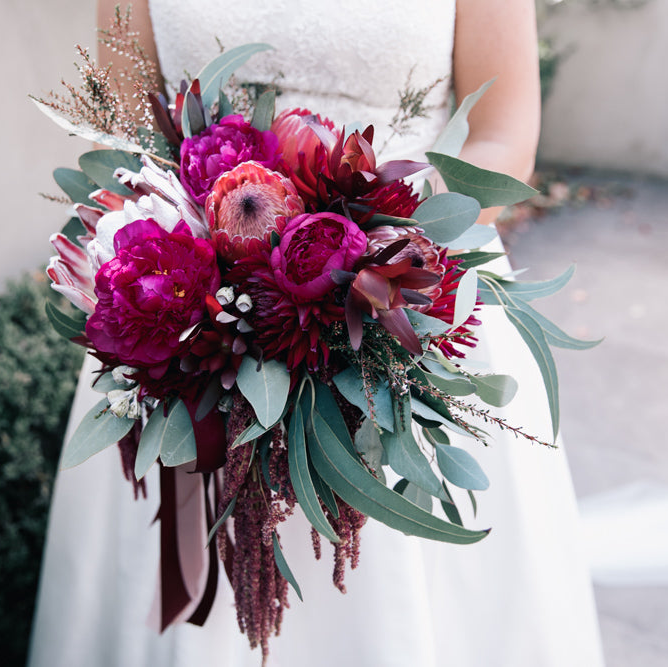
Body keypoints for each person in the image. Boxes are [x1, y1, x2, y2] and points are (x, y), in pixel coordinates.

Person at [29, 1, 606, 665]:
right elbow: (120, 128)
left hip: (401, 297)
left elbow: (504, 138)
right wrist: (209, 272)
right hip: (194, 313)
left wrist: (368, 263)